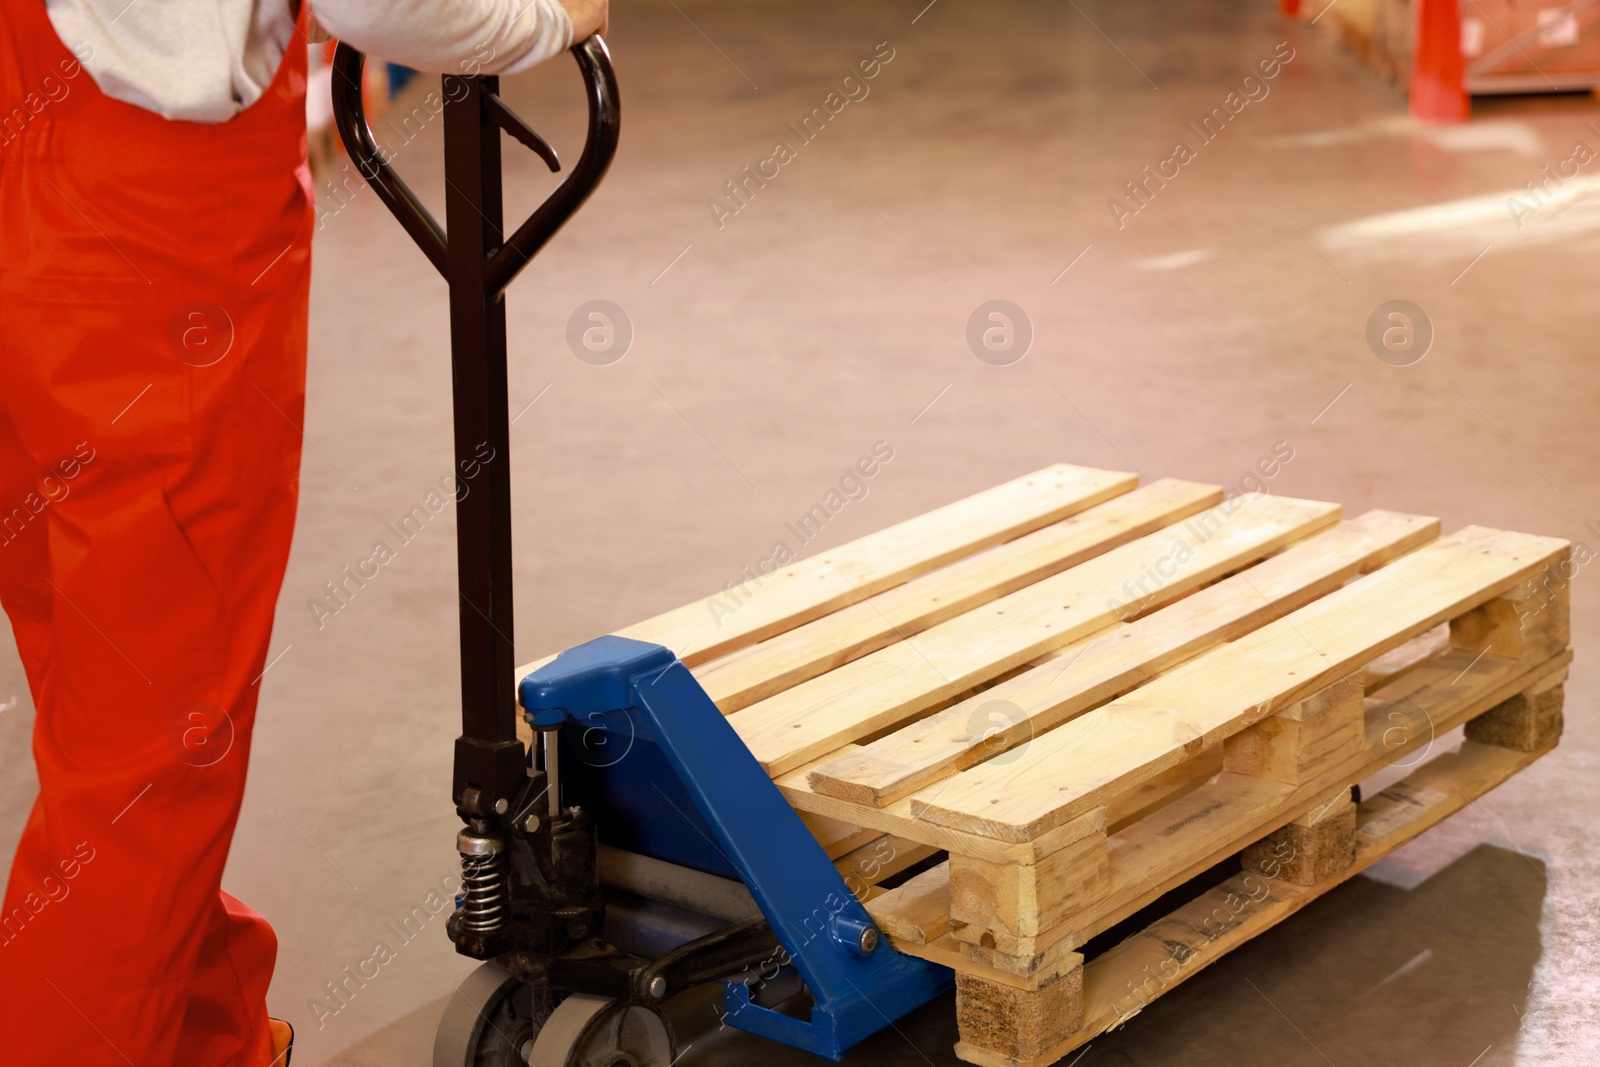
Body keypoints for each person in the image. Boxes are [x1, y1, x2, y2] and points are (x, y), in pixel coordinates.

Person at [0, 0, 606, 1063]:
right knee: (148, 757)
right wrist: (540, 19)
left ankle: (211, 1034)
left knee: (96, 695)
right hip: (147, 225)